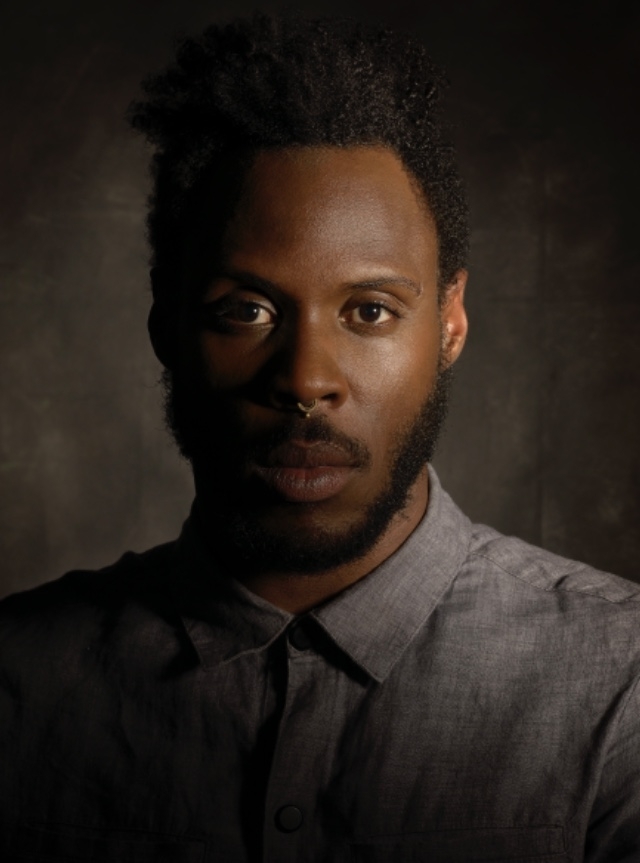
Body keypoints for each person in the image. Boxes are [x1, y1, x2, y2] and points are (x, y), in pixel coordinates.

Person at [0, 14, 639, 863]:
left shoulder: (622, 683)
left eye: (369, 310)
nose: (304, 380)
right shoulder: (18, 684)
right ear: (166, 321)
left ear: (450, 322)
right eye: (246, 310)